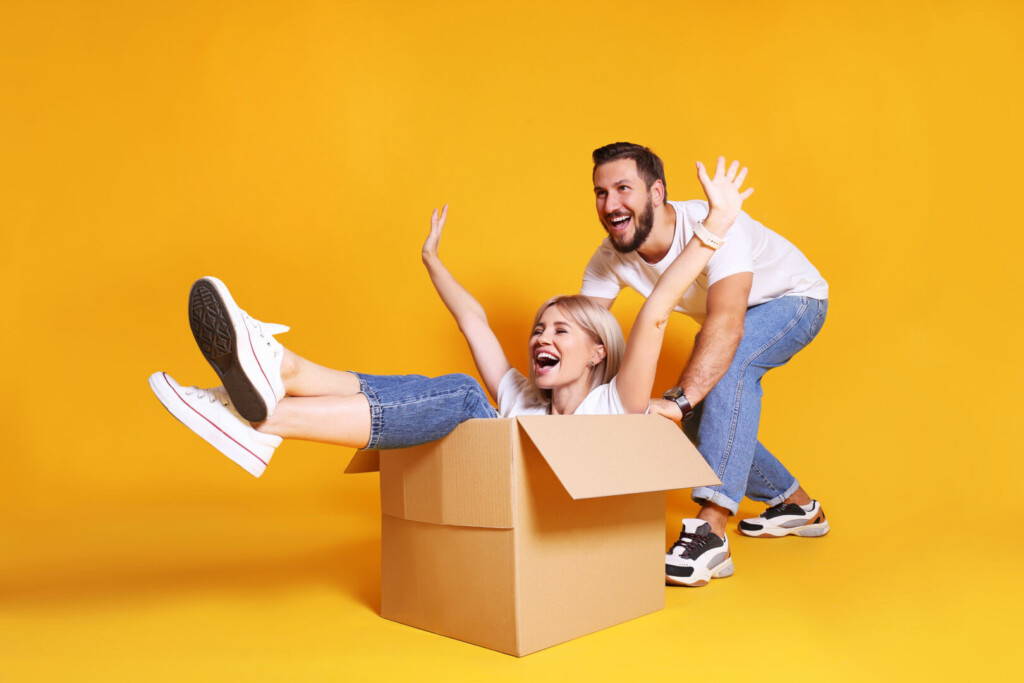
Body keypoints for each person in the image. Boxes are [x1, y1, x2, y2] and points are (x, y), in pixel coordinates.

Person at [149, 158, 753, 482]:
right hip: (503, 491)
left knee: (465, 397)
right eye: (539, 329)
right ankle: (279, 373)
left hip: (566, 515)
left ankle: (267, 412)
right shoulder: (523, 398)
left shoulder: (616, 405)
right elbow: (475, 324)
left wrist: (710, 233)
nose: (541, 336)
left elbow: (649, 318)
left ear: (598, 352)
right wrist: (432, 261)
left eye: (560, 330)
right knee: (433, 390)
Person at [581, 143, 829, 588]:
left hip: (794, 301)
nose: (611, 204)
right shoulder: (609, 258)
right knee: (705, 420)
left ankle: (711, 530)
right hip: (730, 324)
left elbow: (729, 322)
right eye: (601, 192)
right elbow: (581, 337)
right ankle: (795, 505)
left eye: (623, 189)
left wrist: (680, 399)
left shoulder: (709, 223)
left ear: (657, 193)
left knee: (723, 375)